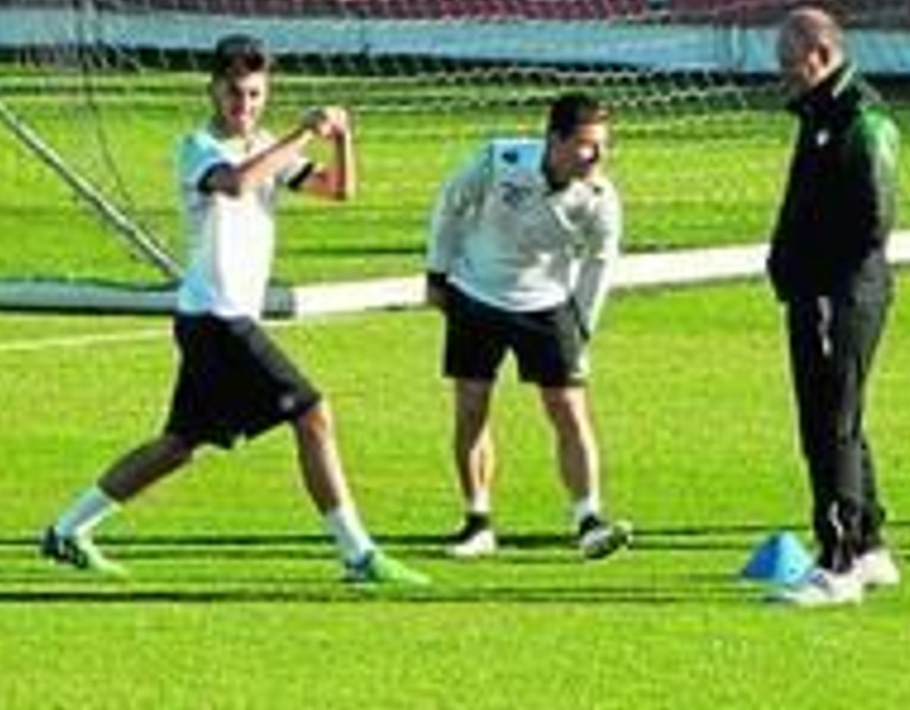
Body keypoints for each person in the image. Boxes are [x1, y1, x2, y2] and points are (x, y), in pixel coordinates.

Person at [40, 34, 429, 586]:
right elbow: (239, 184)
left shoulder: (267, 142)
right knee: (312, 412)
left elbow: (337, 191)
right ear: (213, 90)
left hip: (218, 318)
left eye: (254, 94)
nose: (244, 106)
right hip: (216, 318)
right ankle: (358, 554)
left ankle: (68, 531)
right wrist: (301, 133)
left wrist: (342, 139)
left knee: (179, 446)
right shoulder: (199, 146)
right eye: (234, 94)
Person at [424, 92, 631, 561]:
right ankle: (477, 521)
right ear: (553, 140)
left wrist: (582, 328)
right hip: (477, 293)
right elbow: (451, 204)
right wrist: (436, 273)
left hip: (548, 303)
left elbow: (600, 264)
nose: (598, 156)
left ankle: (588, 518)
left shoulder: (601, 198)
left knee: (568, 410)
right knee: (472, 407)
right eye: (586, 144)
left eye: (603, 145)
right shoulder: (499, 160)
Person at [766, 7, 901, 606]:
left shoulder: (861, 120)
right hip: (820, 290)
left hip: (839, 293)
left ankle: (838, 560)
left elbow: (873, 219)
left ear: (820, 55)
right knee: (842, 415)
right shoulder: (821, 112)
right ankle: (870, 544)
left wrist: (817, 278)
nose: (783, 76)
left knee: (827, 423)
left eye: (789, 64)